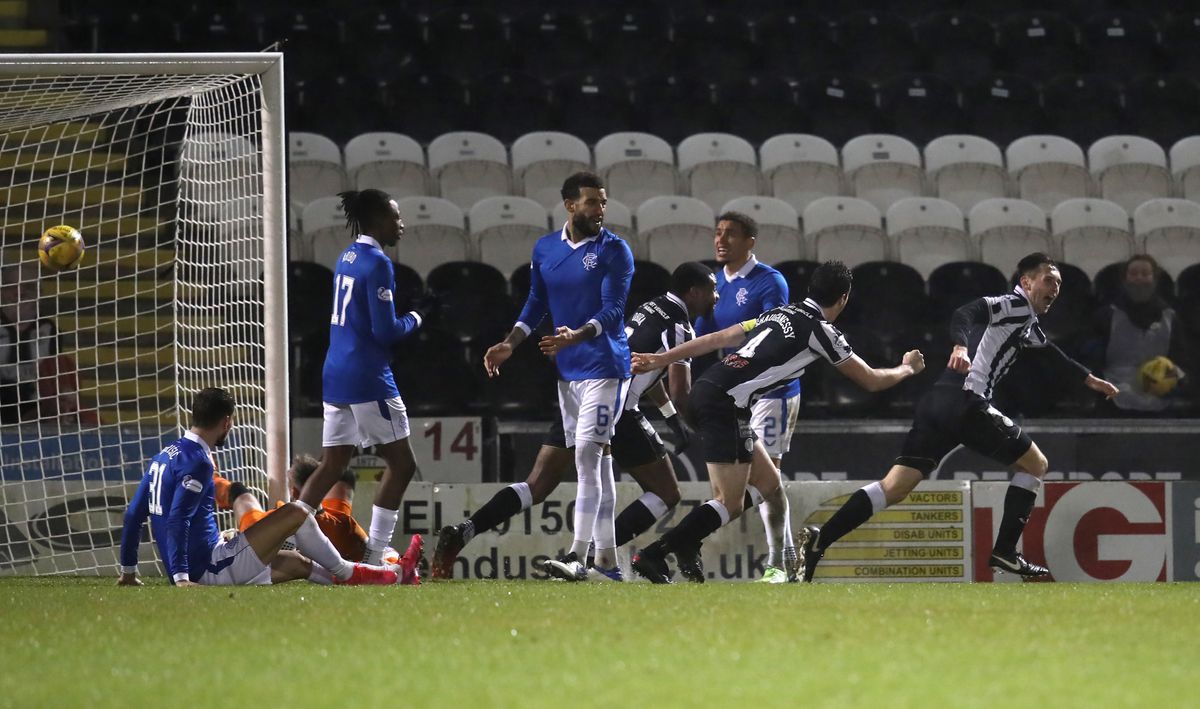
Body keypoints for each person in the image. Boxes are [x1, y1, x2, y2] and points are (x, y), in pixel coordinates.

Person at [801, 253, 1120, 582]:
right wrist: (959, 347)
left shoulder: (1026, 321)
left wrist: (1089, 379)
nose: (1056, 288)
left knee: (893, 488)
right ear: (1026, 283)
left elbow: (1054, 354)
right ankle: (1006, 552)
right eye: (1049, 280)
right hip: (967, 401)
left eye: (1059, 284)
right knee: (1035, 465)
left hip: (938, 402)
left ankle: (819, 540)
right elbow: (966, 312)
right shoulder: (1015, 304)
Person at [629, 261, 924, 584]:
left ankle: (761, 563)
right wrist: (907, 368)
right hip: (725, 403)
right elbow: (870, 380)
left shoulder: (779, 313)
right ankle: (657, 552)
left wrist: (662, 358)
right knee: (730, 501)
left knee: (769, 485)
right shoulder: (821, 331)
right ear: (843, 299)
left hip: (712, 391)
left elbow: (720, 337)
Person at [432, 262, 718, 580]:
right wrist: (706, 426)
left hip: (584, 395)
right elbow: (681, 392)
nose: (716, 297)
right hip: (617, 411)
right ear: (694, 292)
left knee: (536, 485)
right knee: (666, 493)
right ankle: (595, 557)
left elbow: (646, 367)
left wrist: (670, 418)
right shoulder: (680, 326)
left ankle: (464, 531)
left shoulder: (649, 307)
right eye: (712, 289)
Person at [481, 172, 634, 580]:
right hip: (568, 373)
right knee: (598, 462)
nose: (600, 210)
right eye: (591, 203)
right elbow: (536, 302)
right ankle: (608, 564)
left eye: (603, 202)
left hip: (606, 366)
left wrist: (576, 335)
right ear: (570, 205)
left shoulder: (615, 251)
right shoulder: (545, 248)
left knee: (585, 454)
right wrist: (511, 343)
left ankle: (576, 557)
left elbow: (615, 310)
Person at [118, 387, 398, 586]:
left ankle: (379, 579)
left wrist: (129, 571)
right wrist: (181, 579)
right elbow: (178, 519)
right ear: (227, 421)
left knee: (296, 563)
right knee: (297, 513)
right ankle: (350, 571)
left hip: (206, 561)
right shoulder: (199, 462)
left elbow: (133, 516)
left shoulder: (164, 455)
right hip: (211, 568)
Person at [293, 189, 436, 566]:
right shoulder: (377, 263)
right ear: (377, 219)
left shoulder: (347, 255)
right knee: (402, 464)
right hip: (367, 377)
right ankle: (374, 552)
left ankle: (290, 528)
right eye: (395, 216)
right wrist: (419, 316)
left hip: (335, 372)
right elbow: (386, 332)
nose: (401, 223)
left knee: (333, 463)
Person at [694, 211, 803, 583]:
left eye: (731, 235)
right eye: (718, 233)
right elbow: (700, 336)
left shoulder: (769, 282)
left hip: (773, 391)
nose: (720, 240)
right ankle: (788, 561)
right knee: (755, 483)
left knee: (765, 479)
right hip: (736, 395)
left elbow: (773, 338)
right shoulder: (714, 284)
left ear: (749, 242)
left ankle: (780, 563)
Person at [213, 454, 423, 584]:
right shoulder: (344, 523)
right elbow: (370, 552)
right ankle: (397, 566)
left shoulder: (266, 522)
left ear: (293, 490)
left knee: (241, 495)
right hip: (334, 531)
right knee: (346, 486)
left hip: (272, 534)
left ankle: (212, 477)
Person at [1087, 254, 1191, 413]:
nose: (1139, 279)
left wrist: (1175, 381)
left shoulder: (1170, 318)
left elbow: (1181, 359)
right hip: (1113, 397)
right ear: (1125, 279)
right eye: (1134, 274)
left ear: (1155, 280)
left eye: (1145, 274)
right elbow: (1092, 361)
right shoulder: (1106, 316)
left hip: (1160, 397)